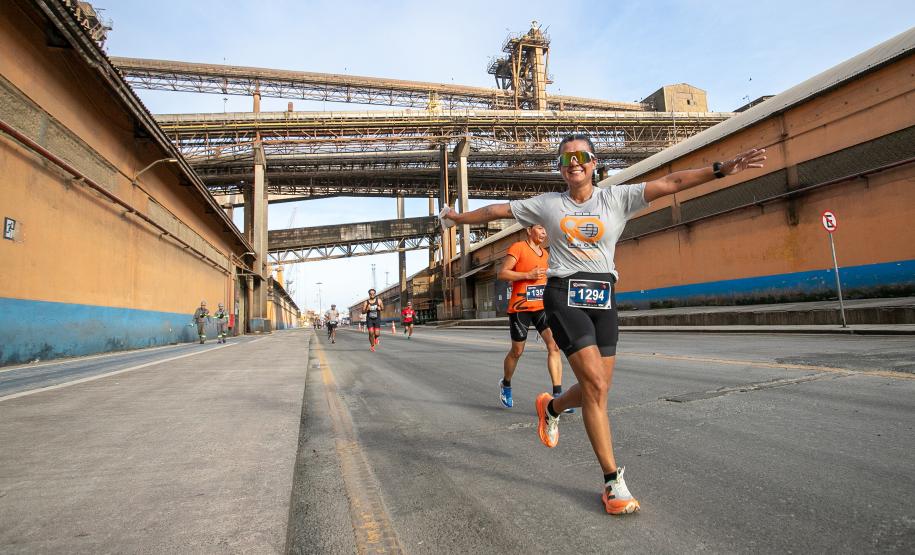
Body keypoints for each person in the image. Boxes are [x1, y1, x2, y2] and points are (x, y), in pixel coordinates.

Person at [442, 134, 765, 515]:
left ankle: (553, 408)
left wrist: (720, 170)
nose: (573, 163)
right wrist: (457, 218)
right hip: (563, 294)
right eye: (565, 159)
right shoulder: (547, 205)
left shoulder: (617, 198)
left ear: (594, 162)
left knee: (600, 387)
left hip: (604, 297)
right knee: (595, 385)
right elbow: (496, 212)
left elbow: (672, 182)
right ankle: (613, 482)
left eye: (581, 156)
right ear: (560, 169)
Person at [497, 224, 569, 413]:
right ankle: (506, 384)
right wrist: (527, 275)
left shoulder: (545, 255)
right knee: (517, 351)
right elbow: (502, 273)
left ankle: (558, 395)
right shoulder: (518, 248)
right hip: (520, 308)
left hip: (542, 307)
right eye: (540, 228)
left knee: (554, 346)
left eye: (546, 229)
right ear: (529, 230)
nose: (544, 232)